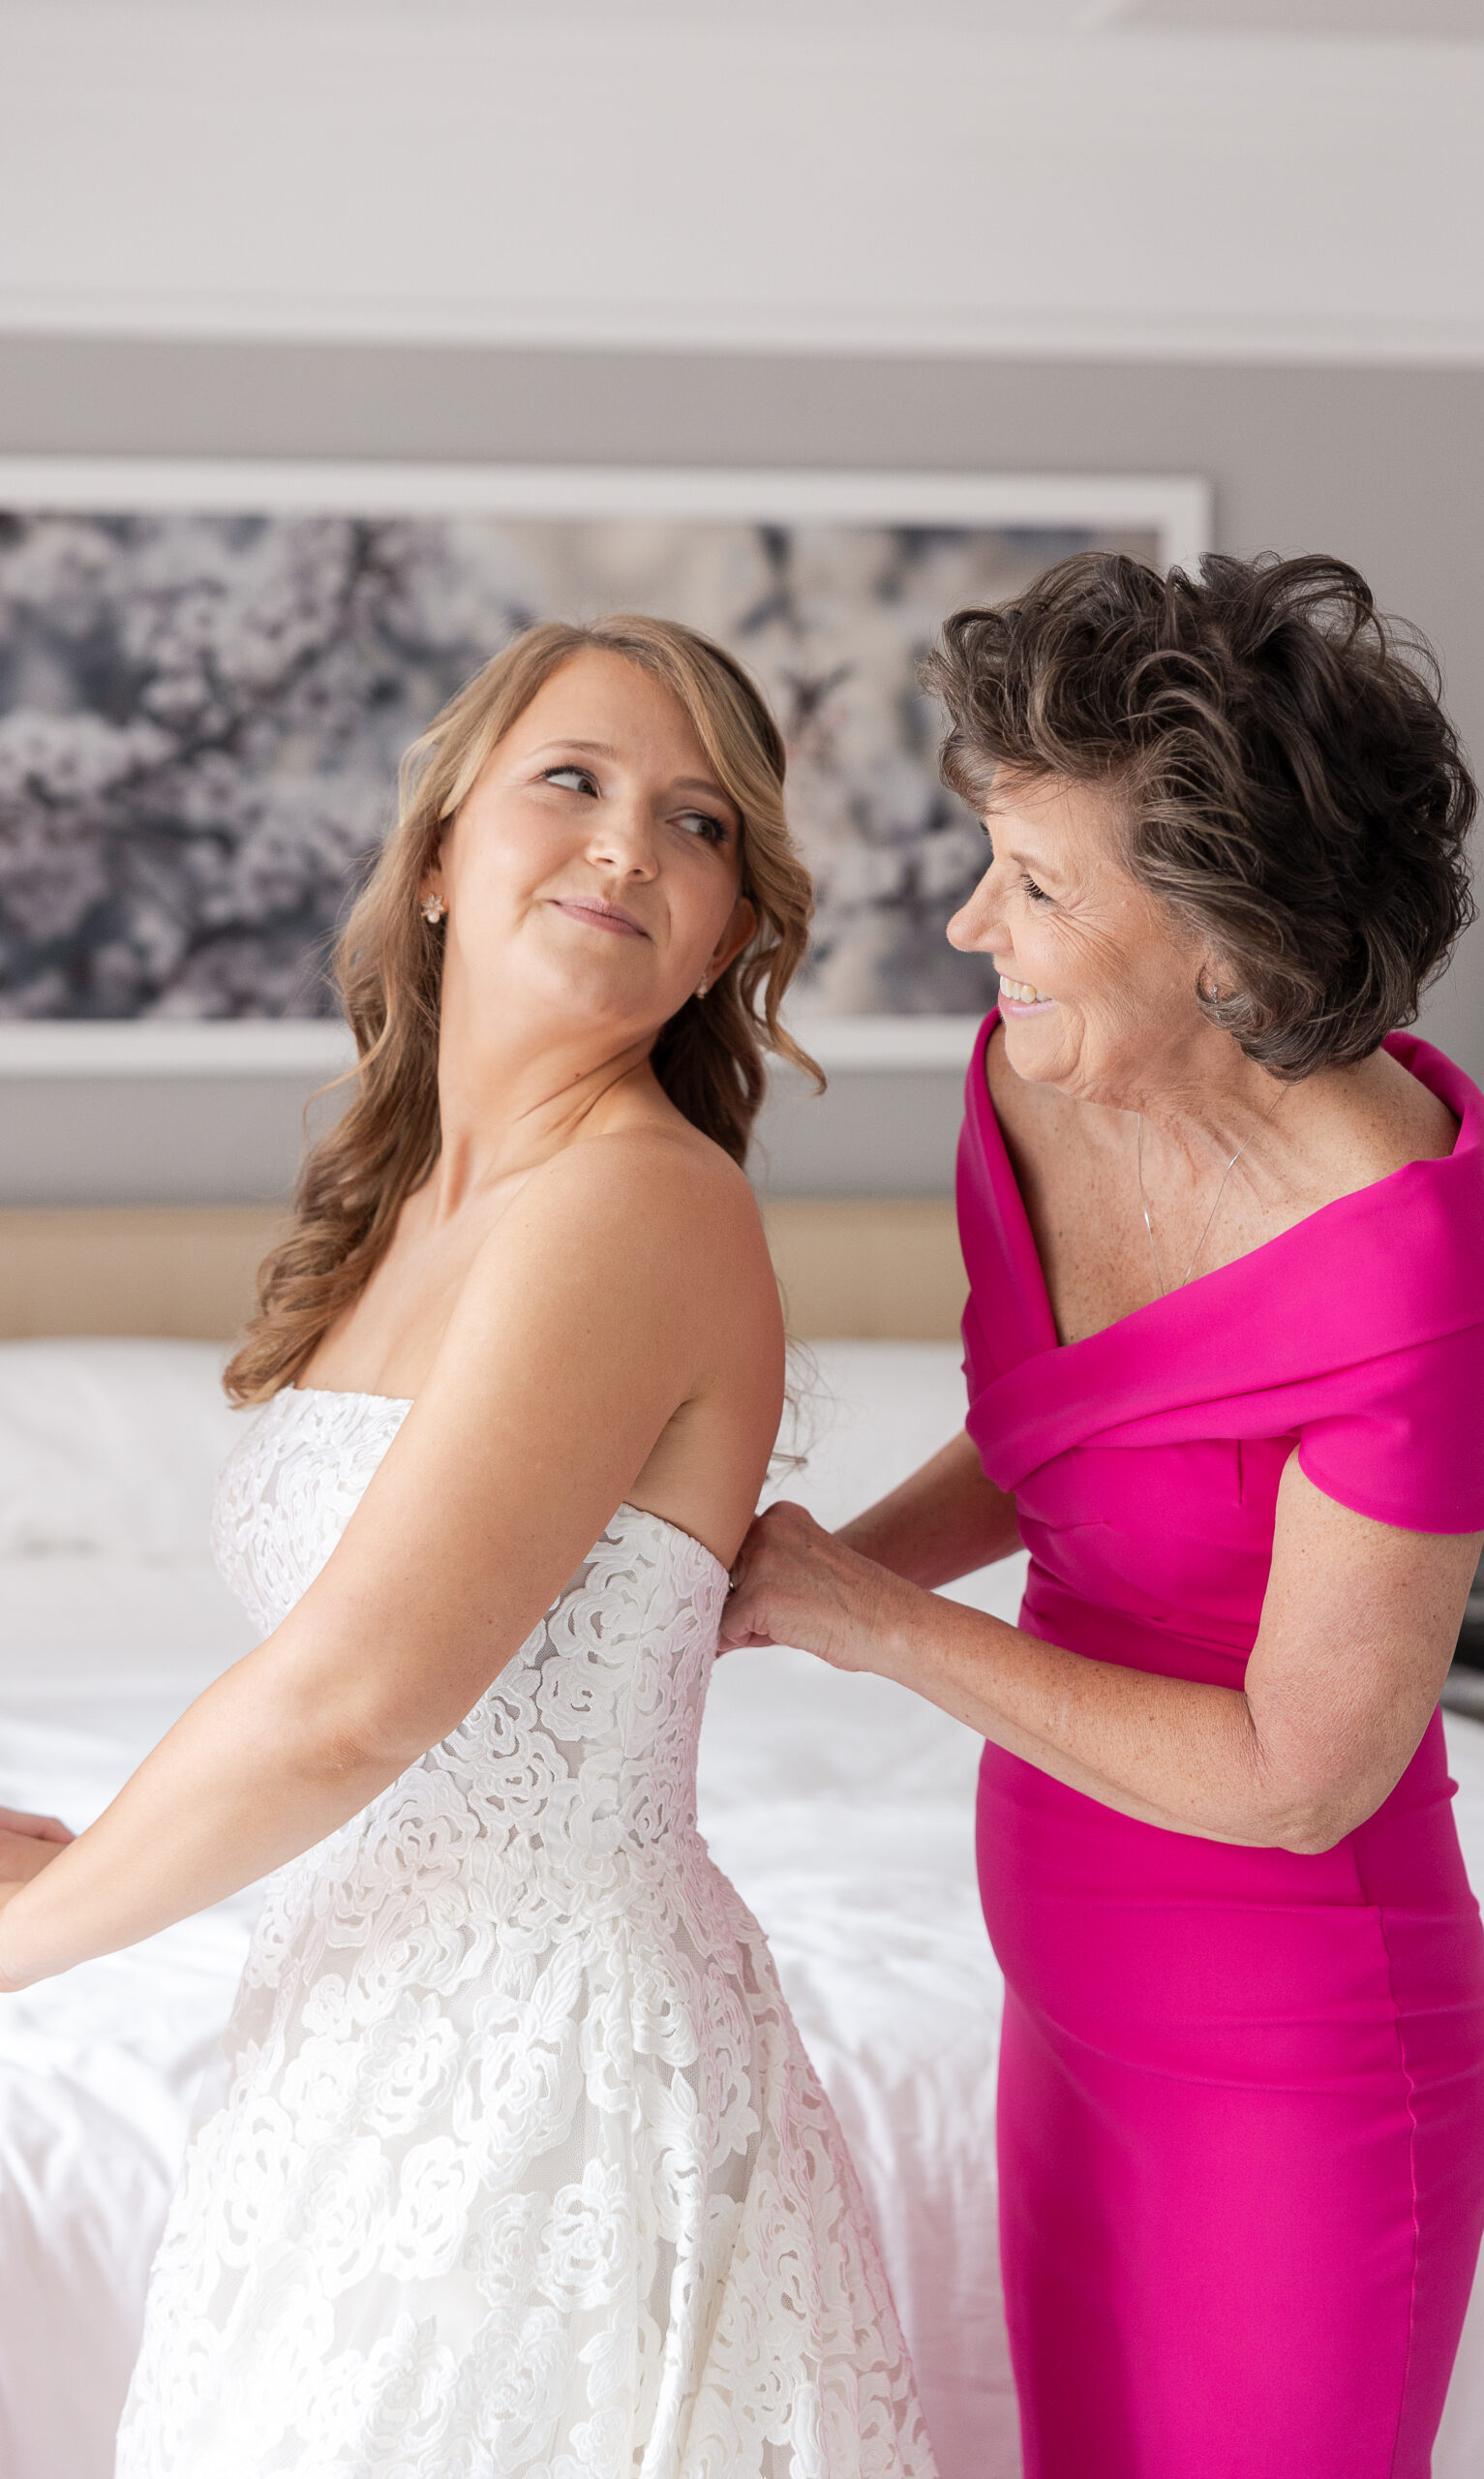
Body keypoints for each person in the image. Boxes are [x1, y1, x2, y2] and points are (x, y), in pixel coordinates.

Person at [0, 617, 936, 2479]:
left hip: (544, 2089)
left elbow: (355, 1700)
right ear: (436, 854)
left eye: (697, 825)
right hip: (355, 2042)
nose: (627, 847)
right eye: (570, 782)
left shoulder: (637, 1205)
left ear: (729, 934)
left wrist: (26, 1942)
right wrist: (97, 1851)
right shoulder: (404, 1214)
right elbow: (343, 1684)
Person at [722, 553, 1484, 2479]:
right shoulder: (1038, 1082)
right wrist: (761, 1583)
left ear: (1224, 942)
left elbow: (1295, 1778)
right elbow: (1062, 1445)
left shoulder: (1401, 1265)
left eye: (1035, 883)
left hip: (1301, 2054)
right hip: (1070, 1995)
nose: (968, 923)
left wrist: (870, 1620)